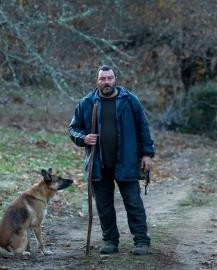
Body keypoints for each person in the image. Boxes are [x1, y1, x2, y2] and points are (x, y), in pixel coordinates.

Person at [68, 65, 155, 255]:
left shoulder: (129, 100)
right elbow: (73, 128)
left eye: (109, 78)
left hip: (127, 162)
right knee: (104, 206)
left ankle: (141, 241)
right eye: (102, 79)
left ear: (115, 79)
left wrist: (147, 154)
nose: (106, 82)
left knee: (133, 203)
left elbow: (143, 127)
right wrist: (83, 138)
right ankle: (110, 241)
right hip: (99, 165)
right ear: (97, 80)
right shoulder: (87, 102)